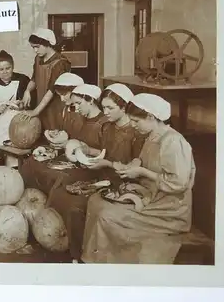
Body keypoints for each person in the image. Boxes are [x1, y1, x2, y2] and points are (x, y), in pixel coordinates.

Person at [81, 93, 196, 264]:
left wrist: (142, 172)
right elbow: (141, 159)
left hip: (169, 208)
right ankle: (95, 259)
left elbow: (178, 184)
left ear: (151, 116)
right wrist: (130, 166)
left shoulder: (173, 142)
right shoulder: (151, 136)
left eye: (136, 121)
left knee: (108, 215)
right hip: (151, 193)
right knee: (95, 201)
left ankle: (107, 264)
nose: (133, 125)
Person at [42, 84, 109, 263]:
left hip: (99, 172)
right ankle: (58, 238)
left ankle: (77, 253)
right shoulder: (84, 119)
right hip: (83, 166)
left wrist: (86, 149)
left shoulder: (104, 123)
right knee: (58, 187)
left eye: (79, 104)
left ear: (91, 101)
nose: (76, 108)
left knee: (70, 199)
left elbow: (106, 153)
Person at [20, 28, 72, 131]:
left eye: (37, 47)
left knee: (54, 133)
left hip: (55, 107)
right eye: (33, 47)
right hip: (41, 105)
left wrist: (35, 111)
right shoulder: (38, 58)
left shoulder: (60, 63)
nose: (35, 50)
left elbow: (52, 90)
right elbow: (34, 78)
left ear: (47, 44)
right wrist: (27, 90)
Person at [0, 50, 30, 151]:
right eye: (1, 69)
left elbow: (29, 102)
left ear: (13, 66)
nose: (5, 72)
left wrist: (21, 106)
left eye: (8, 68)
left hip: (16, 116)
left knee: (16, 141)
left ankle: (14, 164)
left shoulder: (23, 80)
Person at [53, 72, 85, 139]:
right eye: (59, 95)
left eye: (64, 95)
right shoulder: (65, 109)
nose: (62, 99)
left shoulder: (84, 112)